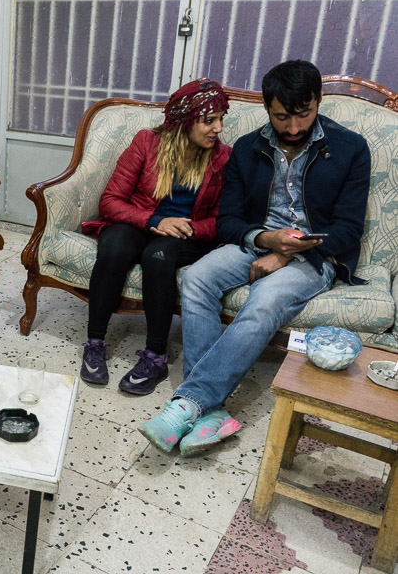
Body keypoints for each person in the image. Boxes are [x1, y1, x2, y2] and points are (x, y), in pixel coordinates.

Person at [139, 60, 371, 456]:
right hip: (256, 242)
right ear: (267, 108)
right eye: (283, 117)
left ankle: (188, 404)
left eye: (304, 114)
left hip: (314, 257)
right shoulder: (247, 149)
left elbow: (348, 229)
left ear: (318, 102)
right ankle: (211, 413)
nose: (294, 128)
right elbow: (229, 220)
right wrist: (268, 239)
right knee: (196, 278)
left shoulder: (350, 148)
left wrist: (285, 254)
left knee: (263, 299)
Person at [79, 79, 231, 395]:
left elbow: (225, 220)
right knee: (115, 247)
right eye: (209, 120)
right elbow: (110, 201)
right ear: (185, 120)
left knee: (158, 256)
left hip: (187, 235)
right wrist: (155, 220)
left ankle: (156, 357)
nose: (217, 128)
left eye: (220, 119)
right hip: (143, 221)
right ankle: (95, 343)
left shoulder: (223, 158)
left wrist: (189, 228)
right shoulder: (147, 143)